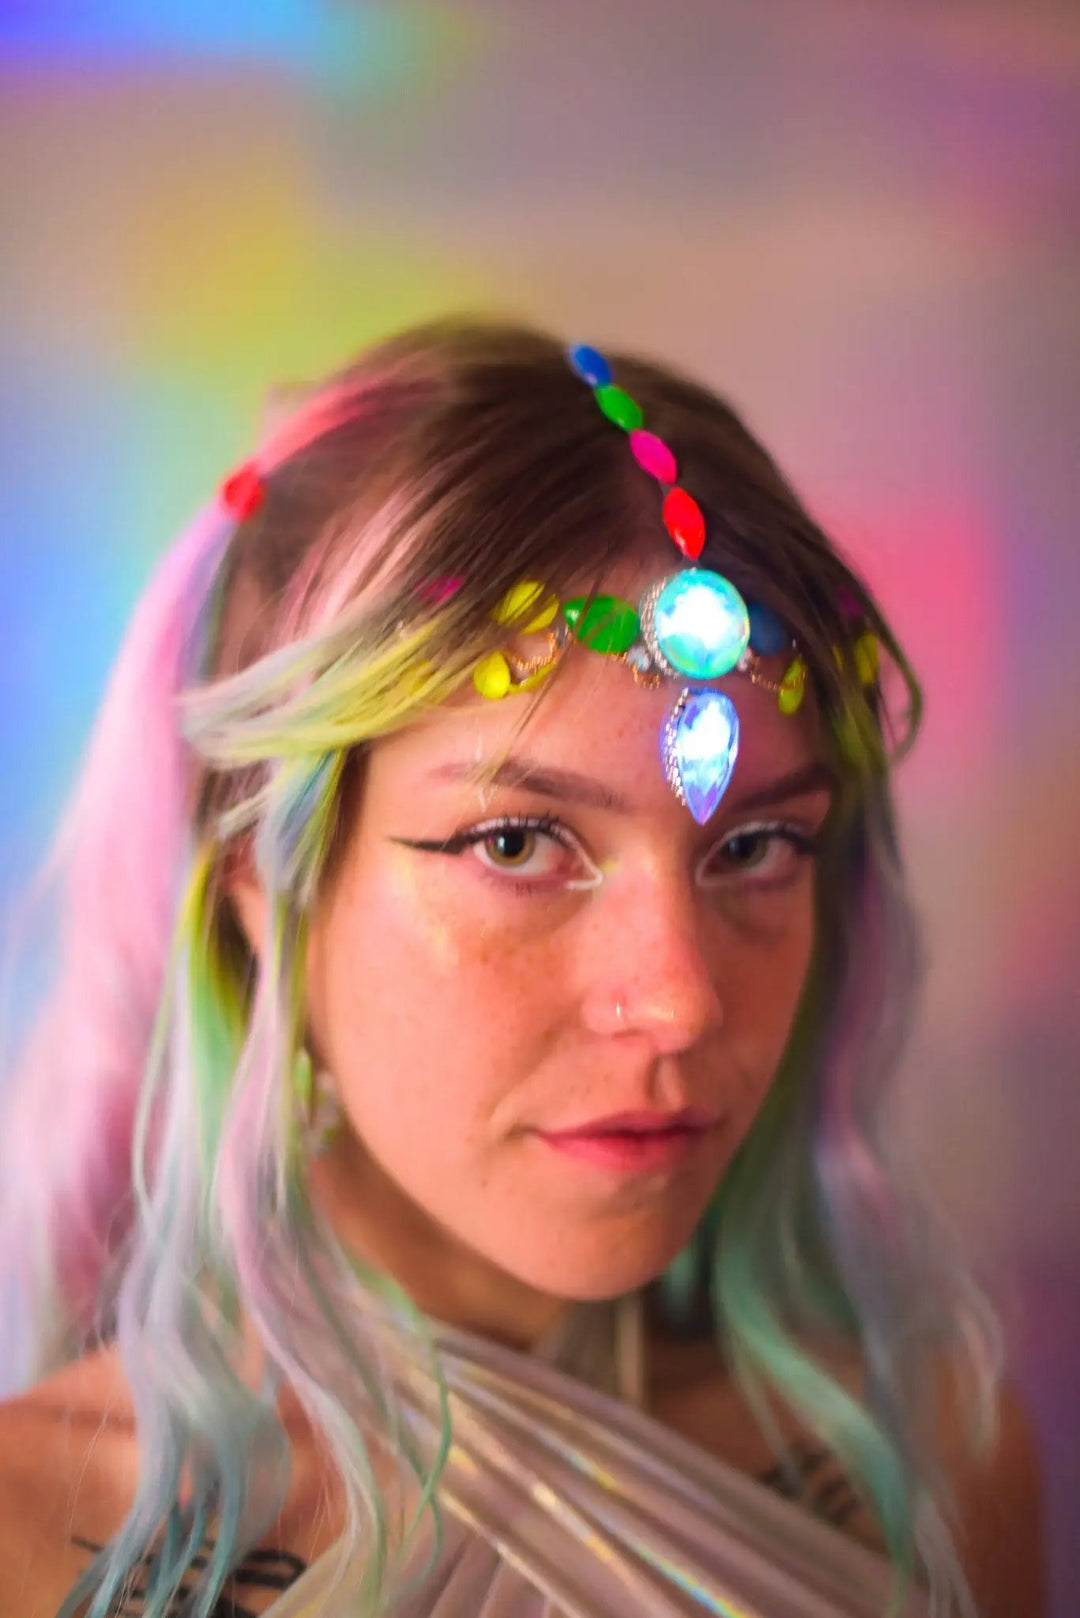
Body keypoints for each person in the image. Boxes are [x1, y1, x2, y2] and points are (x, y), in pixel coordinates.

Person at [0, 321, 1043, 1618]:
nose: (681, 997)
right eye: (515, 839)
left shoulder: (929, 1464)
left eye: (759, 844)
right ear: (262, 891)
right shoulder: (31, 1536)